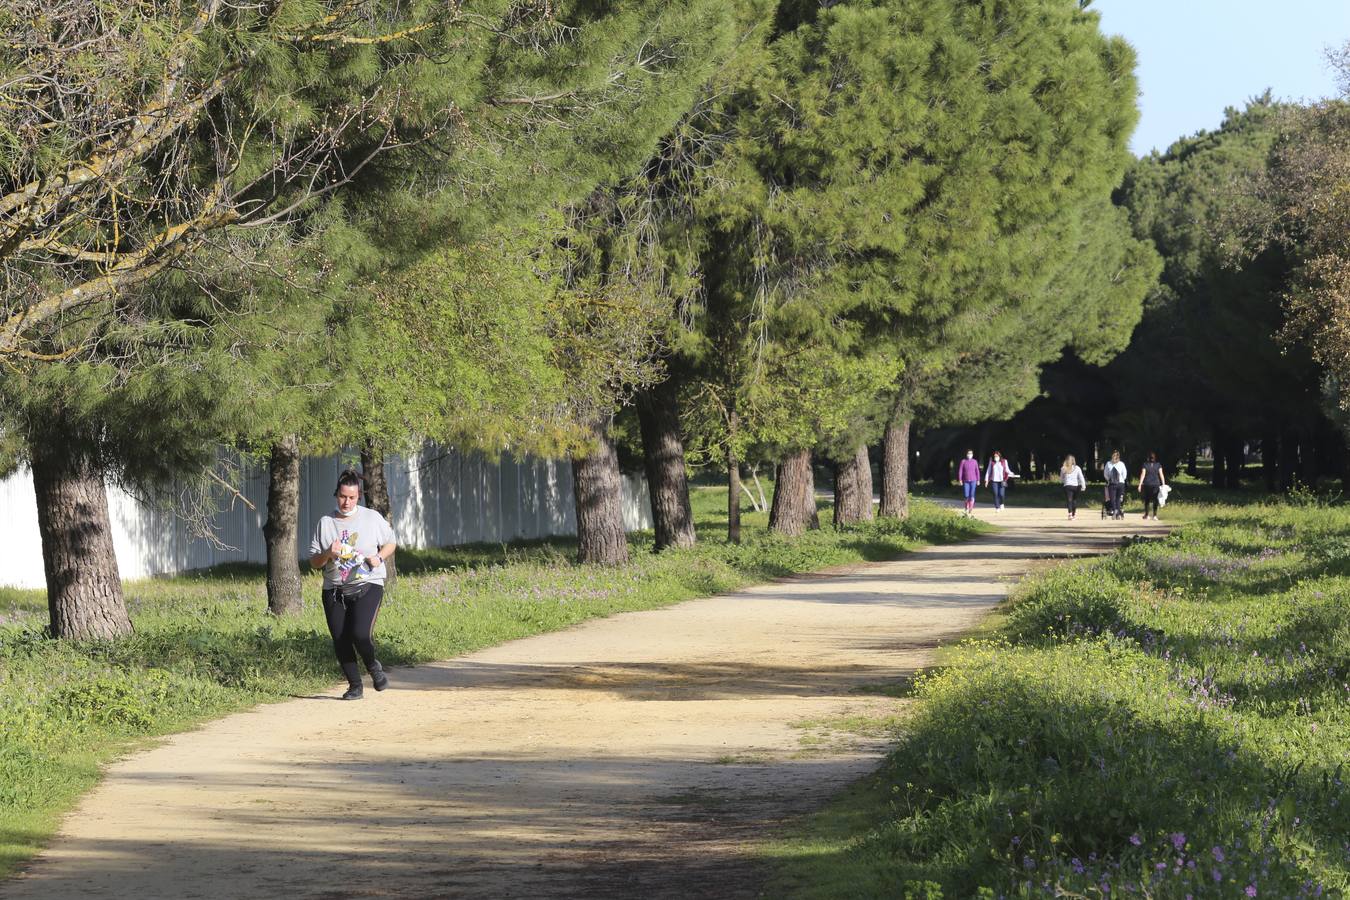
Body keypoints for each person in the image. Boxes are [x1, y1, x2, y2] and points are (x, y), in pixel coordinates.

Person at [309, 469, 397, 700]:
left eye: (352, 497)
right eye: (342, 496)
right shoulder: (325, 523)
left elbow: (391, 542)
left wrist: (379, 557)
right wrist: (328, 553)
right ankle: (355, 686)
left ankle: (373, 667)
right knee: (340, 639)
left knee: (359, 634)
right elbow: (314, 562)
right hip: (335, 590)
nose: (346, 502)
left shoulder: (371, 518)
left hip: (368, 583)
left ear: (358, 497)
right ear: (336, 494)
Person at [1138, 451, 1166, 521]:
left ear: (1148, 458)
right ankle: (1155, 515)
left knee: (1147, 500)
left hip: (1147, 484)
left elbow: (1143, 474)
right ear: (1155, 458)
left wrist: (1140, 484)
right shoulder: (1158, 465)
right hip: (1156, 484)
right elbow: (1161, 474)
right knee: (1155, 500)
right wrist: (1163, 484)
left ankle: (1147, 515)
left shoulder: (1145, 465)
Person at [1103, 450, 1128, 520]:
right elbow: (1125, 474)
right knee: (1117, 499)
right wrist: (1122, 479)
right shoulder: (1121, 464)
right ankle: (1117, 513)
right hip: (1120, 483)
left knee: (1113, 499)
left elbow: (1105, 474)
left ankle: (1115, 511)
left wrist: (1109, 479)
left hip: (1112, 483)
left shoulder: (1108, 464)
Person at [1060, 454, 1086, 520]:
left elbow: (1061, 479)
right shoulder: (1077, 468)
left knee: (1069, 500)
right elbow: (1081, 477)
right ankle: (1074, 514)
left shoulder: (1063, 468)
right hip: (1076, 486)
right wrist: (1083, 485)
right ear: (1073, 461)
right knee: (1074, 500)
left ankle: (1070, 514)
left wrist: (1064, 482)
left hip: (1067, 486)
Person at [957, 449, 981, 516]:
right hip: (966, 481)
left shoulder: (975, 461)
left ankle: (971, 508)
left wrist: (978, 480)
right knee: (966, 495)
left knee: (972, 495)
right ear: (966, 454)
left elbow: (977, 471)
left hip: (973, 480)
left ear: (972, 454)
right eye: (968, 453)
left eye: (971, 453)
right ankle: (966, 507)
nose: (969, 455)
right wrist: (960, 480)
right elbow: (960, 471)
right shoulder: (963, 461)